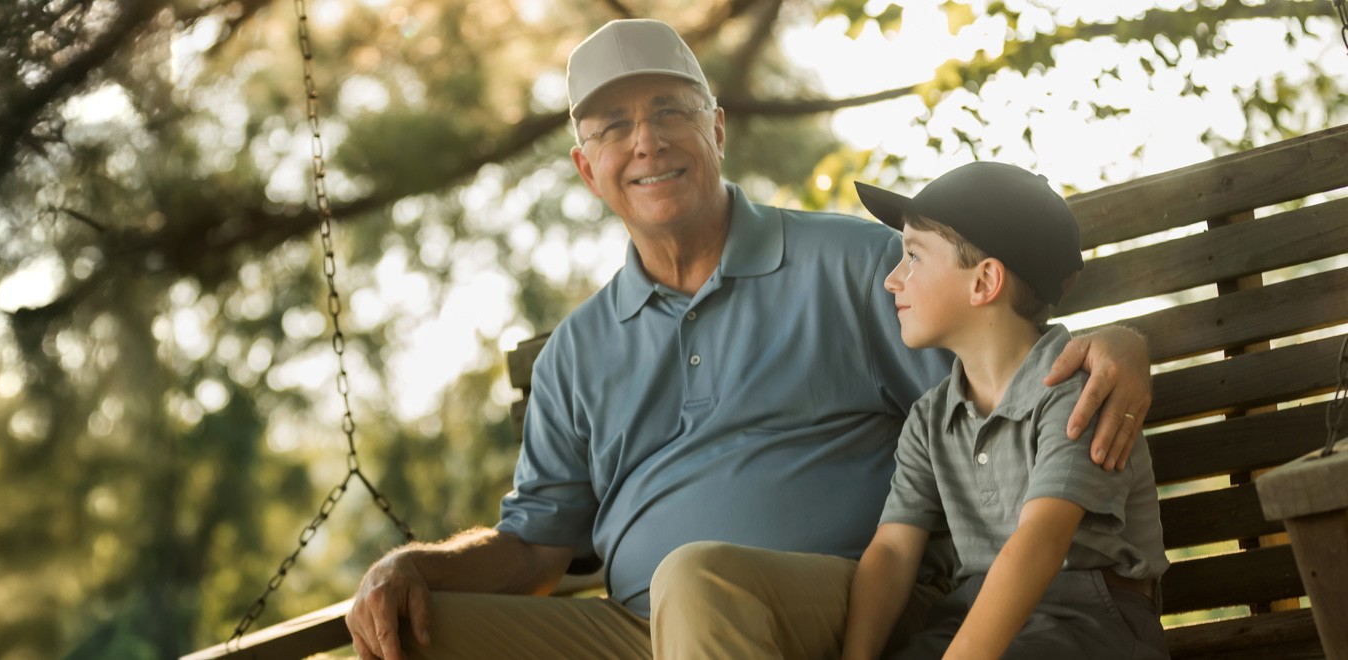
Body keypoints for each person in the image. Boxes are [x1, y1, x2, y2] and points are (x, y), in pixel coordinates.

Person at [346, 19, 1153, 660]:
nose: (646, 141)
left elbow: (1000, 355)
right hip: (640, 632)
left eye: (670, 110)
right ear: (586, 168)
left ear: (718, 129)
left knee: (698, 580)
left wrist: (1121, 343)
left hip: (832, 604)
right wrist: (412, 568)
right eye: (612, 127)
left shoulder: (857, 266)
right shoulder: (575, 353)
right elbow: (533, 551)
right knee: (415, 639)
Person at [841, 164, 1168, 659]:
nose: (892, 281)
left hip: (1088, 620)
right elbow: (891, 551)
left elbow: (1040, 541)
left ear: (984, 282)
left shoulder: (1075, 393)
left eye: (912, 257)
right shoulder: (930, 421)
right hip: (970, 619)